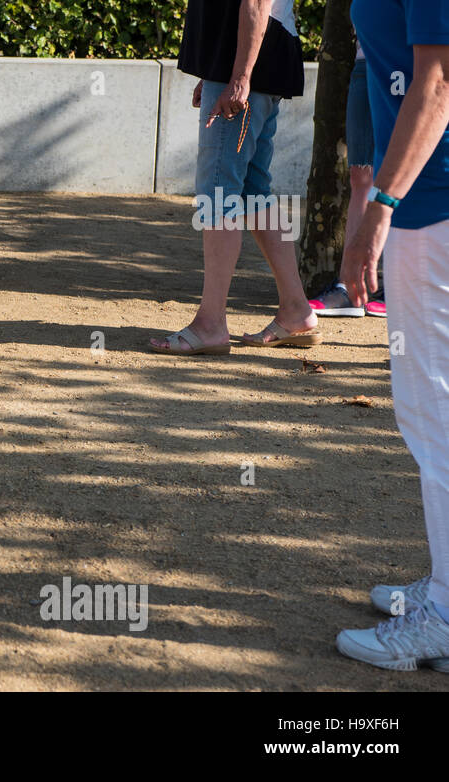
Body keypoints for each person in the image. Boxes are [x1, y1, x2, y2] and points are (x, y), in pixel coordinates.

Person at [335, 0, 449, 672]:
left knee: (432, 410)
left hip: (431, 205)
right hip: (428, 202)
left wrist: (383, 206)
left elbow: (437, 83)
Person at [150, 0, 315, 355]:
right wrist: (217, 72)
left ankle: (210, 324)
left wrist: (238, 76)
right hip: (256, 64)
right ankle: (296, 310)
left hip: (247, 69)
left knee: (218, 191)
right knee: (254, 194)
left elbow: (255, 3)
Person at [309, 37, 387, 319]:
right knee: (360, 174)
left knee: (403, 173)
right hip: (366, 60)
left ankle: (395, 285)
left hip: (407, 60)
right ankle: (349, 289)